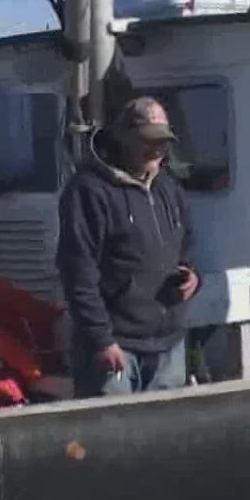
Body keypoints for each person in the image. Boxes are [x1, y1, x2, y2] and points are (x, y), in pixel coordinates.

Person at [56, 96, 202, 397]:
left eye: (163, 141)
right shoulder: (88, 191)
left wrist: (193, 277)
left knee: (163, 441)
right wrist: (101, 340)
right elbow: (77, 272)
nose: (157, 149)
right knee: (106, 441)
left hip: (168, 347)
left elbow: (187, 245)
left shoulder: (170, 189)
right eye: (148, 141)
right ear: (123, 138)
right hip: (116, 350)